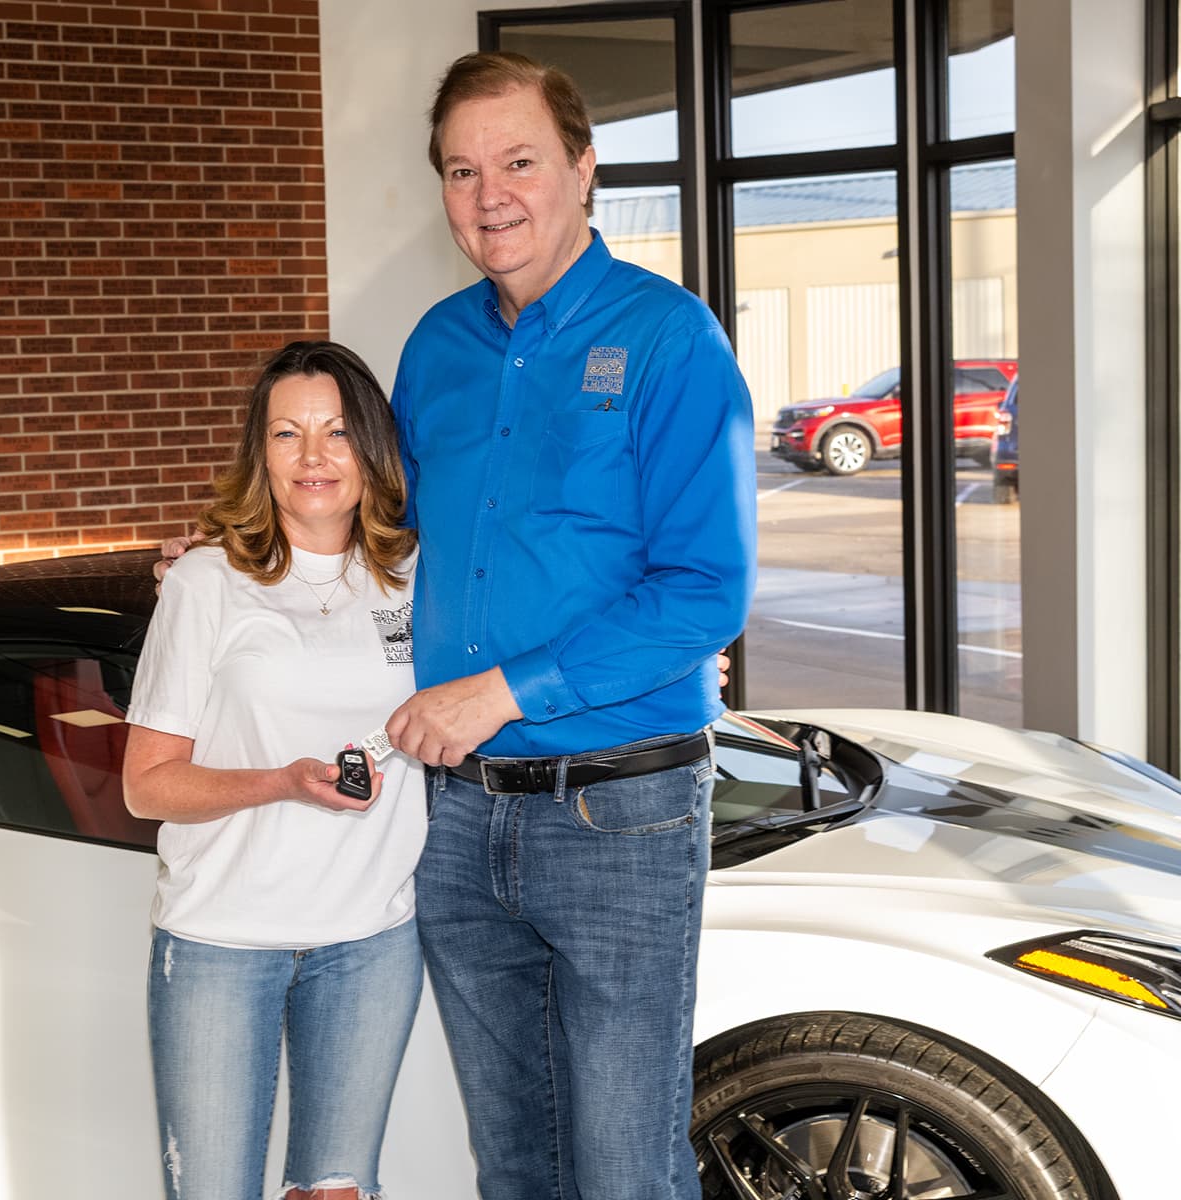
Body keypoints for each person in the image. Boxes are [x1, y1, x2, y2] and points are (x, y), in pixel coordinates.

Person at [155, 51, 755, 1200]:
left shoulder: (672, 341)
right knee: (515, 1162)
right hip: (460, 825)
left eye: (520, 162)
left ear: (583, 170)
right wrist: (241, 555)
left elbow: (703, 592)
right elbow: (376, 522)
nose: (491, 196)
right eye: (462, 170)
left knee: (625, 1168)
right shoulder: (437, 347)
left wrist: (503, 690)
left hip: (619, 812)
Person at [123, 340, 425, 1200]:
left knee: (336, 1192)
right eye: (287, 434)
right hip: (222, 944)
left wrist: (688, 671)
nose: (315, 457)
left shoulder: (417, 577)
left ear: (373, 448)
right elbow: (148, 784)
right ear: (260, 455)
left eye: (336, 432)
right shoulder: (205, 582)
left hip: (369, 940)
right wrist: (283, 781)